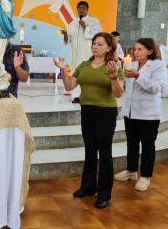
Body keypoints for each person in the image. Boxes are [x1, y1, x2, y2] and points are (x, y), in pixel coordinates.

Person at [54, 32, 124, 209]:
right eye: (94, 43)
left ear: (109, 47)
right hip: (87, 111)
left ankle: (104, 193)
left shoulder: (114, 65)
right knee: (90, 151)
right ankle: (88, 187)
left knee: (105, 153)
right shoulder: (84, 65)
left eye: (100, 44)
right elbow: (69, 86)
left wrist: (114, 76)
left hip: (106, 112)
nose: (95, 46)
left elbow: (119, 93)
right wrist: (63, 70)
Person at [114, 38, 167, 191]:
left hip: (148, 114)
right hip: (131, 111)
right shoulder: (132, 64)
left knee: (148, 146)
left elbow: (158, 87)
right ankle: (131, 171)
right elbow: (125, 87)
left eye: (140, 49)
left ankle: (145, 176)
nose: (135, 52)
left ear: (150, 51)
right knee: (131, 143)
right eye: (135, 49)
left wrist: (138, 76)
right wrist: (118, 75)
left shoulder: (158, 66)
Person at [67, 1, 101, 103]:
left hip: (87, 52)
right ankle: (76, 95)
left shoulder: (93, 21)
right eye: (79, 8)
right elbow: (70, 38)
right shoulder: (73, 23)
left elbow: (97, 35)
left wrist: (85, 27)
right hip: (75, 54)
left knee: (87, 73)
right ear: (77, 10)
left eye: (83, 8)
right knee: (76, 73)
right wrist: (65, 37)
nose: (81, 10)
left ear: (87, 10)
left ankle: (87, 95)